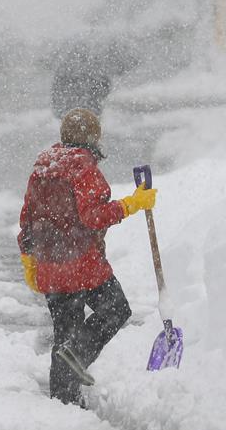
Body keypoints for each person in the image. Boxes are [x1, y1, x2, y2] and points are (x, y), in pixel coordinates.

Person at [17, 108, 156, 405]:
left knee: (63, 334)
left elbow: (27, 218)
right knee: (116, 310)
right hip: (81, 265)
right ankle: (78, 353)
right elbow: (93, 217)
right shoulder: (83, 168)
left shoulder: (42, 168)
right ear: (94, 138)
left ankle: (64, 402)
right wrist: (132, 204)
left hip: (49, 267)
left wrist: (28, 258)